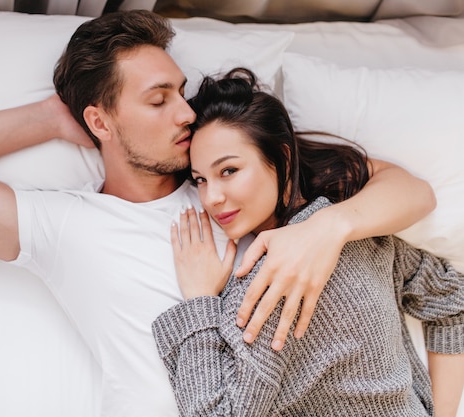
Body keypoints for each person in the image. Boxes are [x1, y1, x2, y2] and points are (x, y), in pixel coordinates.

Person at [0, 10, 437, 417]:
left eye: (182, 93)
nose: (186, 113)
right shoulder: (65, 225)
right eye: (159, 100)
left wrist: (329, 228)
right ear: (100, 122)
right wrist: (47, 117)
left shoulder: (231, 175)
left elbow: (408, 190)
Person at [152, 68, 464, 417]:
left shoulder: (265, 284)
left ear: (282, 158)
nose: (212, 198)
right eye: (200, 181)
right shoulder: (362, 238)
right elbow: (451, 300)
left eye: (228, 171)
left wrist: (199, 301)